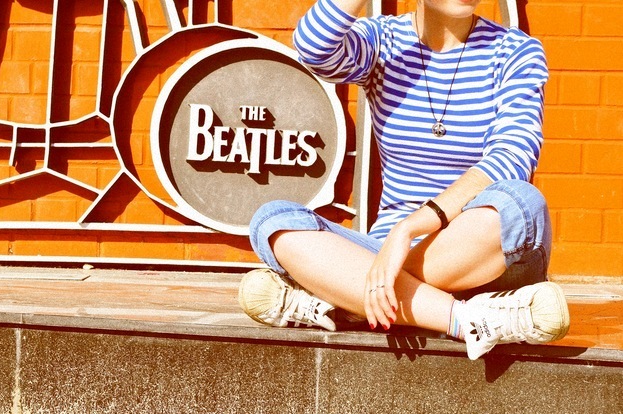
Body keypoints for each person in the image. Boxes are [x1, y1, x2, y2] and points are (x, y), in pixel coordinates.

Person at [237, 0, 570, 360]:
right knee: (274, 221)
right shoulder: (385, 43)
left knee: (520, 204)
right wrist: (395, 240)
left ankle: (345, 299)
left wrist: (410, 228)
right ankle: (465, 319)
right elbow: (314, 48)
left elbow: (512, 158)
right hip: (386, 251)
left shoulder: (515, 52)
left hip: (476, 257)